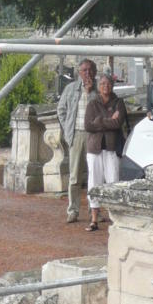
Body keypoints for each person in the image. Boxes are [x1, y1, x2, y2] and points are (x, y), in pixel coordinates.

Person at [83, 74, 128, 230]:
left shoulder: (118, 103)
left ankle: (114, 217)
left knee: (113, 181)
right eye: (102, 84)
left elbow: (118, 123)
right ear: (98, 86)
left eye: (108, 84)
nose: (105, 87)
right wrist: (107, 119)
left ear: (112, 85)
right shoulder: (92, 103)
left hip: (111, 147)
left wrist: (99, 121)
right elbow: (88, 125)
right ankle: (94, 218)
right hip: (95, 148)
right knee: (94, 182)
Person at [56, 59, 97, 223]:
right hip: (77, 134)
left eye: (90, 70)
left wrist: (89, 92)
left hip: (93, 135)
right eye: (84, 70)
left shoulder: (98, 90)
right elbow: (61, 109)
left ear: (94, 72)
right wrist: (68, 129)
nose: (87, 73)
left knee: (94, 175)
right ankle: (73, 210)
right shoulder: (71, 89)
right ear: (79, 73)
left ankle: (94, 211)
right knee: (74, 176)